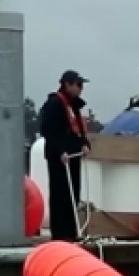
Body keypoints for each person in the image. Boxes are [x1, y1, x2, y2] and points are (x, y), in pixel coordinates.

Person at [38, 70, 92, 241]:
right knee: (60, 194)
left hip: (74, 154)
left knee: (73, 193)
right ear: (67, 84)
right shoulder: (54, 104)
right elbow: (48, 130)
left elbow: (78, 129)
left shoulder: (74, 105)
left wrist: (84, 143)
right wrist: (60, 150)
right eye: (78, 85)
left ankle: (71, 231)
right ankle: (60, 234)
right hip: (60, 156)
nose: (80, 89)